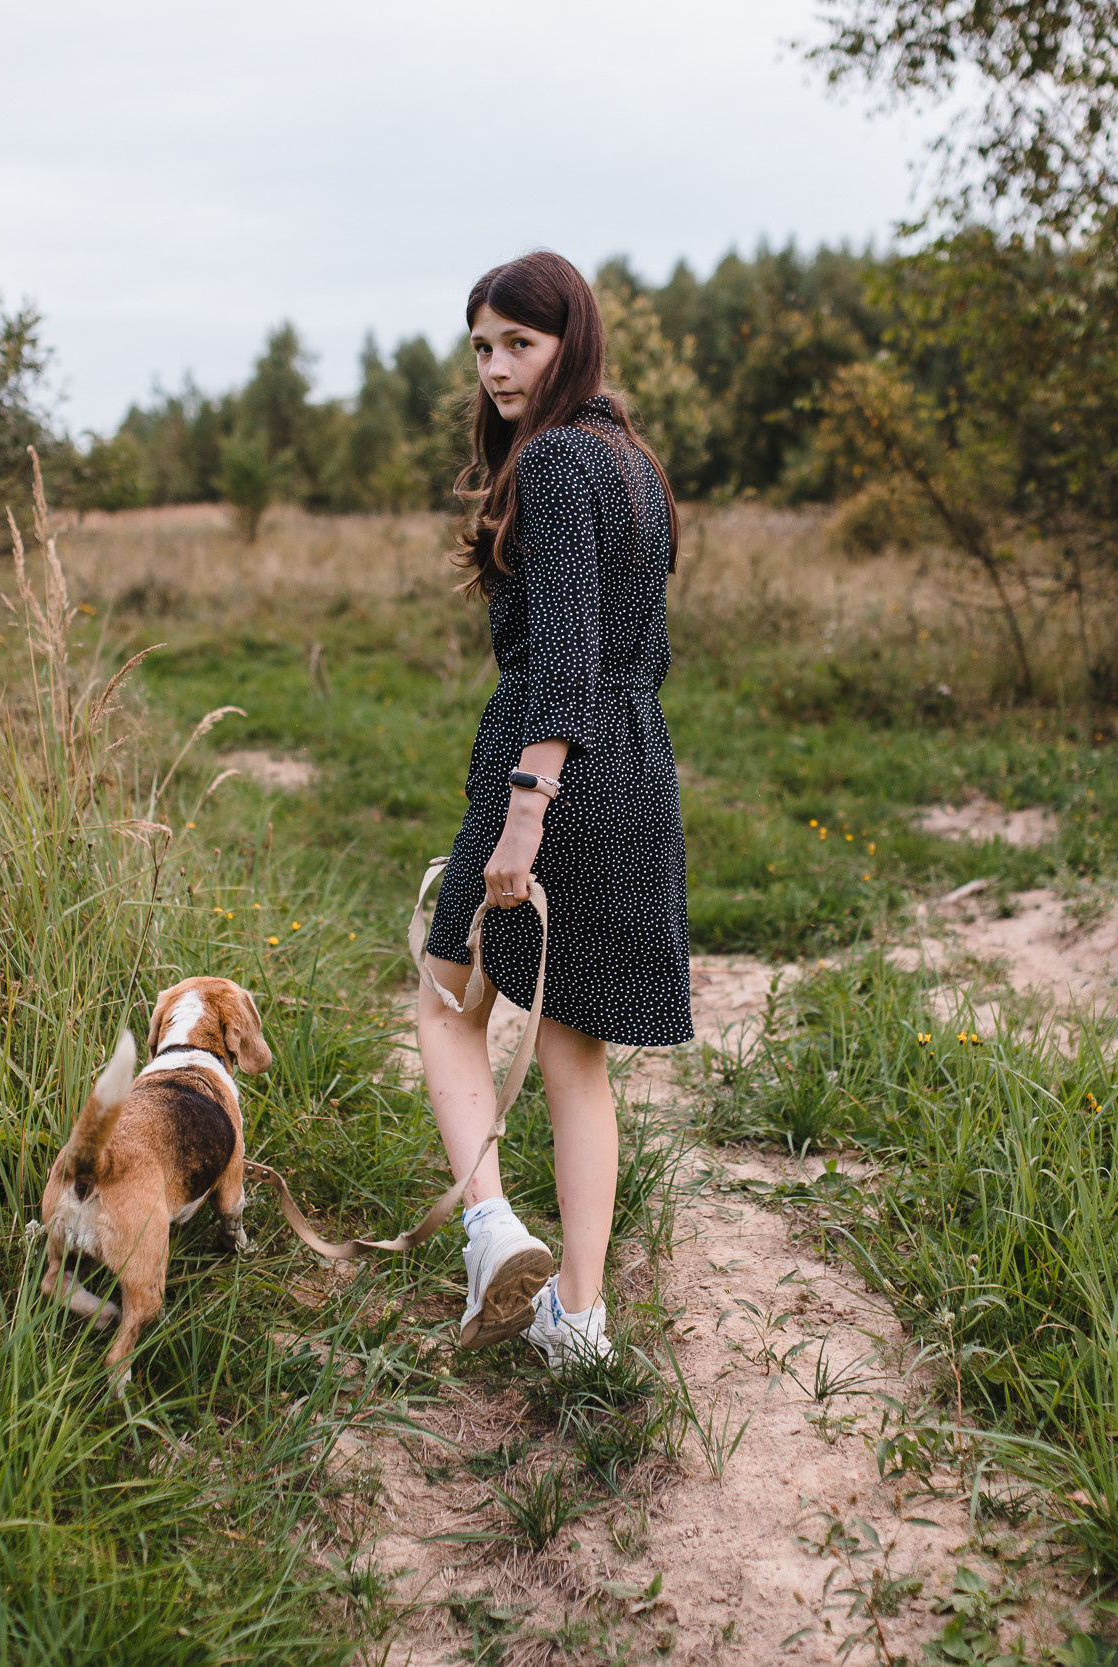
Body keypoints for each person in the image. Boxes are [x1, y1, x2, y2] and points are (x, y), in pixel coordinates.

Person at [417, 251, 693, 1372]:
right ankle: (579, 1319)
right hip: (634, 762)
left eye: (517, 344)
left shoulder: (558, 467)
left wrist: (526, 807)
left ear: (567, 339)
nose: (493, 367)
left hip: (553, 762)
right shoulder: (635, 463)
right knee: (578, 1055)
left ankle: (491, 1231)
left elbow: (567, 655)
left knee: (446, 1001)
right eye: (480, 346)